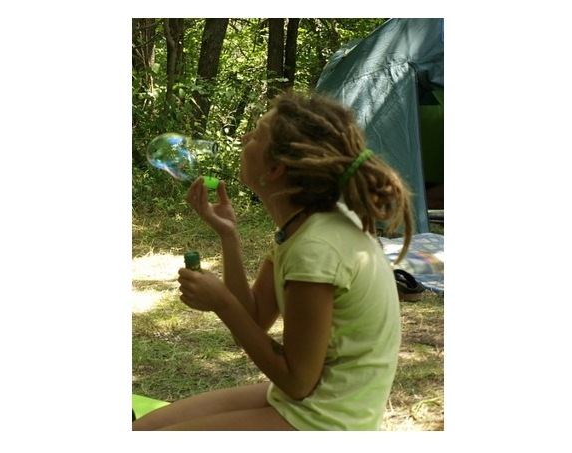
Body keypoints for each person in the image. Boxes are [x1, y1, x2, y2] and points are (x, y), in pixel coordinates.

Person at [132, 91, 413, 431]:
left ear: (275, 169)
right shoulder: (302, 227)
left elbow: (297, 381)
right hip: (309, 402)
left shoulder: (316, 247)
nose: (244, 138)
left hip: (326, 421)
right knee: (140, 430)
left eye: (257, 134)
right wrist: (228, 236)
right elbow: (254, 319)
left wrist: (221, 301)